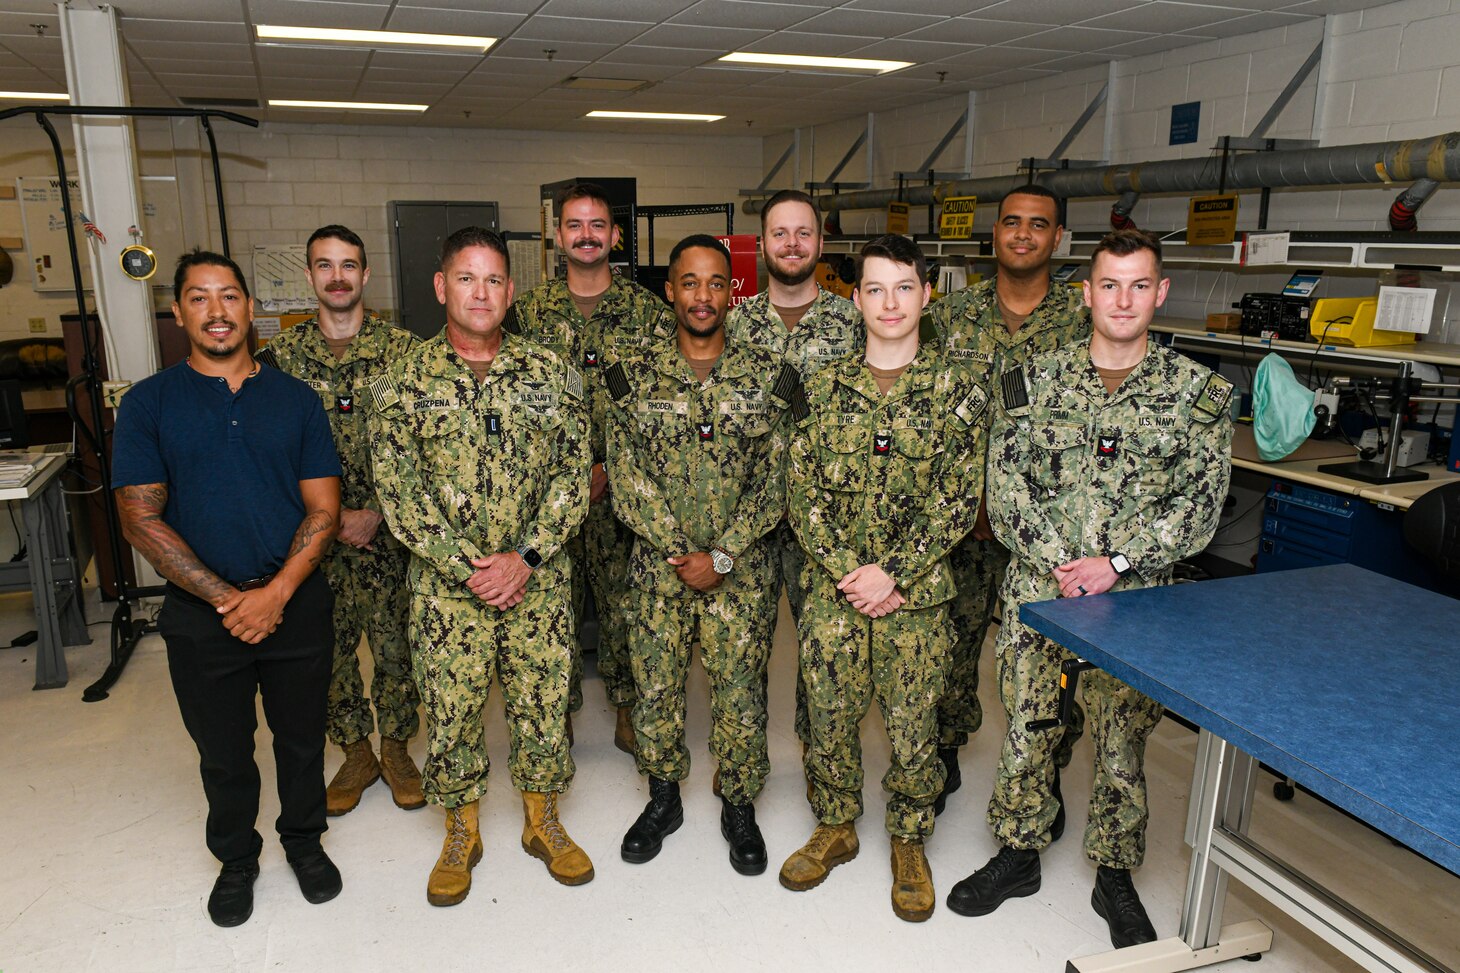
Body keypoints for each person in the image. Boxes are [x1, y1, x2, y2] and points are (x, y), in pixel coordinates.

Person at [947, 229, 1232, 949]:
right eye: (1110, 285)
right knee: (1027, 727)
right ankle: (1018, 853)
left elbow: (1200, 506)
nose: (1124, 299)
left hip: (1136, 603)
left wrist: (1119, 562)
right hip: (1042, 594)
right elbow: (1004, 490)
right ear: (1086, 293)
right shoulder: (1031, 381)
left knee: (1120, 740)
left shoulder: (1196, 394)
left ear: (1160, 293)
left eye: (1139, 285)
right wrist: (1064, 560)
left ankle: (1115, 873)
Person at [113, 250, 343, 927]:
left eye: (230, 296)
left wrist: (275, 594)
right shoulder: (149, 403)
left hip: (296, 603)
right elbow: (138, 517)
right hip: (200, 617)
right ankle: (237, 857)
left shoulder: (295, 399)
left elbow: (324, 510)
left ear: (250, 306)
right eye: (199, 297)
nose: (217, 311)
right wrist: (226, 599)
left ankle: (304, 842)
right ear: (179, 311)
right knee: (224, 749)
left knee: (302, 740)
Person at [370, 227, 594, 906]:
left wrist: (522, 558)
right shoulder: (402, 380)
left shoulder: (551, 373)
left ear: (511, 291)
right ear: (441, 286)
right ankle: (462, 828)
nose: (481, 292)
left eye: (494, 279)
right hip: (449, 592)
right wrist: (467, 566)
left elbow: (572, 475)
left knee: (543, 703)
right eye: (466, 278)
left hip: (538, 579)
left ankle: (541, 819)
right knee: (454, 707)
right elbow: (397, 491)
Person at [781, 234, 988, 922]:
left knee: (913, 722)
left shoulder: (960, 390)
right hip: (836, 594)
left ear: (928, 295)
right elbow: (799, 490)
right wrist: (852, 574)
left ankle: (909, 838)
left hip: (918, 597)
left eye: (904, 287)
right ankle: (836, 824)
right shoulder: (820, 386)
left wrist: (893, 572)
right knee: (831, 715)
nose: (890, 302)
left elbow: (960, 498)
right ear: (856, 297)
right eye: (875, 288)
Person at [605, 235, 789, 875]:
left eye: (716, 283)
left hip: (741, 576)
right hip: (659, 569)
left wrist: (726, 554)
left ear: (730, 291)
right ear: (670, 291)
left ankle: (739, 806)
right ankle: (662, 800)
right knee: (656, 688)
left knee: (740, 692)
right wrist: (682, 550)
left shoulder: (768, 375)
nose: (703, 296)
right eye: (689, 283)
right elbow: (625, 476)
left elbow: (779, 475)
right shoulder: (633, 375)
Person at [924, 184, 1091, 818]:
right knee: (947, 647)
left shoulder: (1082, 325)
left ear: (1057, 239)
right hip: (959, 528)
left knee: (1050, 664)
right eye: (1012, 223)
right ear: (994, 234)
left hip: (1049, 535)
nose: (1023, 234)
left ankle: (1043, 771)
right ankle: (940, 754)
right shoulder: (949, 317)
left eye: (1039, 225)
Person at [260, 225, 423, 817]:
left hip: (389, 537)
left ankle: (398, 749)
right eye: (324, 266)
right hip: (311, 541)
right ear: (309, 277)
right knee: (323, 651)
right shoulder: (275, 362)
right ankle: (355, 752)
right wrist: (323, 517)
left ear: (365, 275)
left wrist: (378, 510)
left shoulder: (409, 355)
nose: (337, 276)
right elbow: (263, 453)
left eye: (348, 265)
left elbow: (427, 449)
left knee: (398, 647)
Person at [508, 182, 674, 754]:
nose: (586, 235)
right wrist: (565, 477)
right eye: (575, 225)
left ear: (615, 235)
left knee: (626, 603)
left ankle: (628, 706)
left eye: (597, 225)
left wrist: (610, 470)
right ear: (559, 236)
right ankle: (562, 712)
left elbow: (658, 410)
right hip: (545, 496)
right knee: (553, 608)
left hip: (621, 495)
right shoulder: (525, 314)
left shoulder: (649, 315)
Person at [726, 189, 862, 780]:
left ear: (821, 243)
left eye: (803, 233)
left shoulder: (853, 323)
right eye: (780, 233)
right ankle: (742, 767)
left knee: (822, 654)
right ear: (762, 245)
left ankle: (820, 758)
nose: (792, 244)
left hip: (826, 521)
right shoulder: (734, 324)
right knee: (742, 654)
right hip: (747, 516)